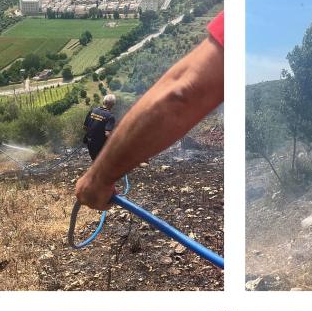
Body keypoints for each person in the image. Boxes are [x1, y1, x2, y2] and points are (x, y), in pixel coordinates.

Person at [74, 13, 224, 211]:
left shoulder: (94, 110)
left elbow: (182, 94)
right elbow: (182, 94)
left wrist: (98, 178)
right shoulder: (109, 116)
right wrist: (100, 175)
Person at [83, 94, 117, 162]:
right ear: (113, 104)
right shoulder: (110, 116)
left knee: (95, 161)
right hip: (100, 146)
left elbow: (84, 127)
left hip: (90, 144)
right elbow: (107, 134)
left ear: (103, 102)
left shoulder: (93, 110)